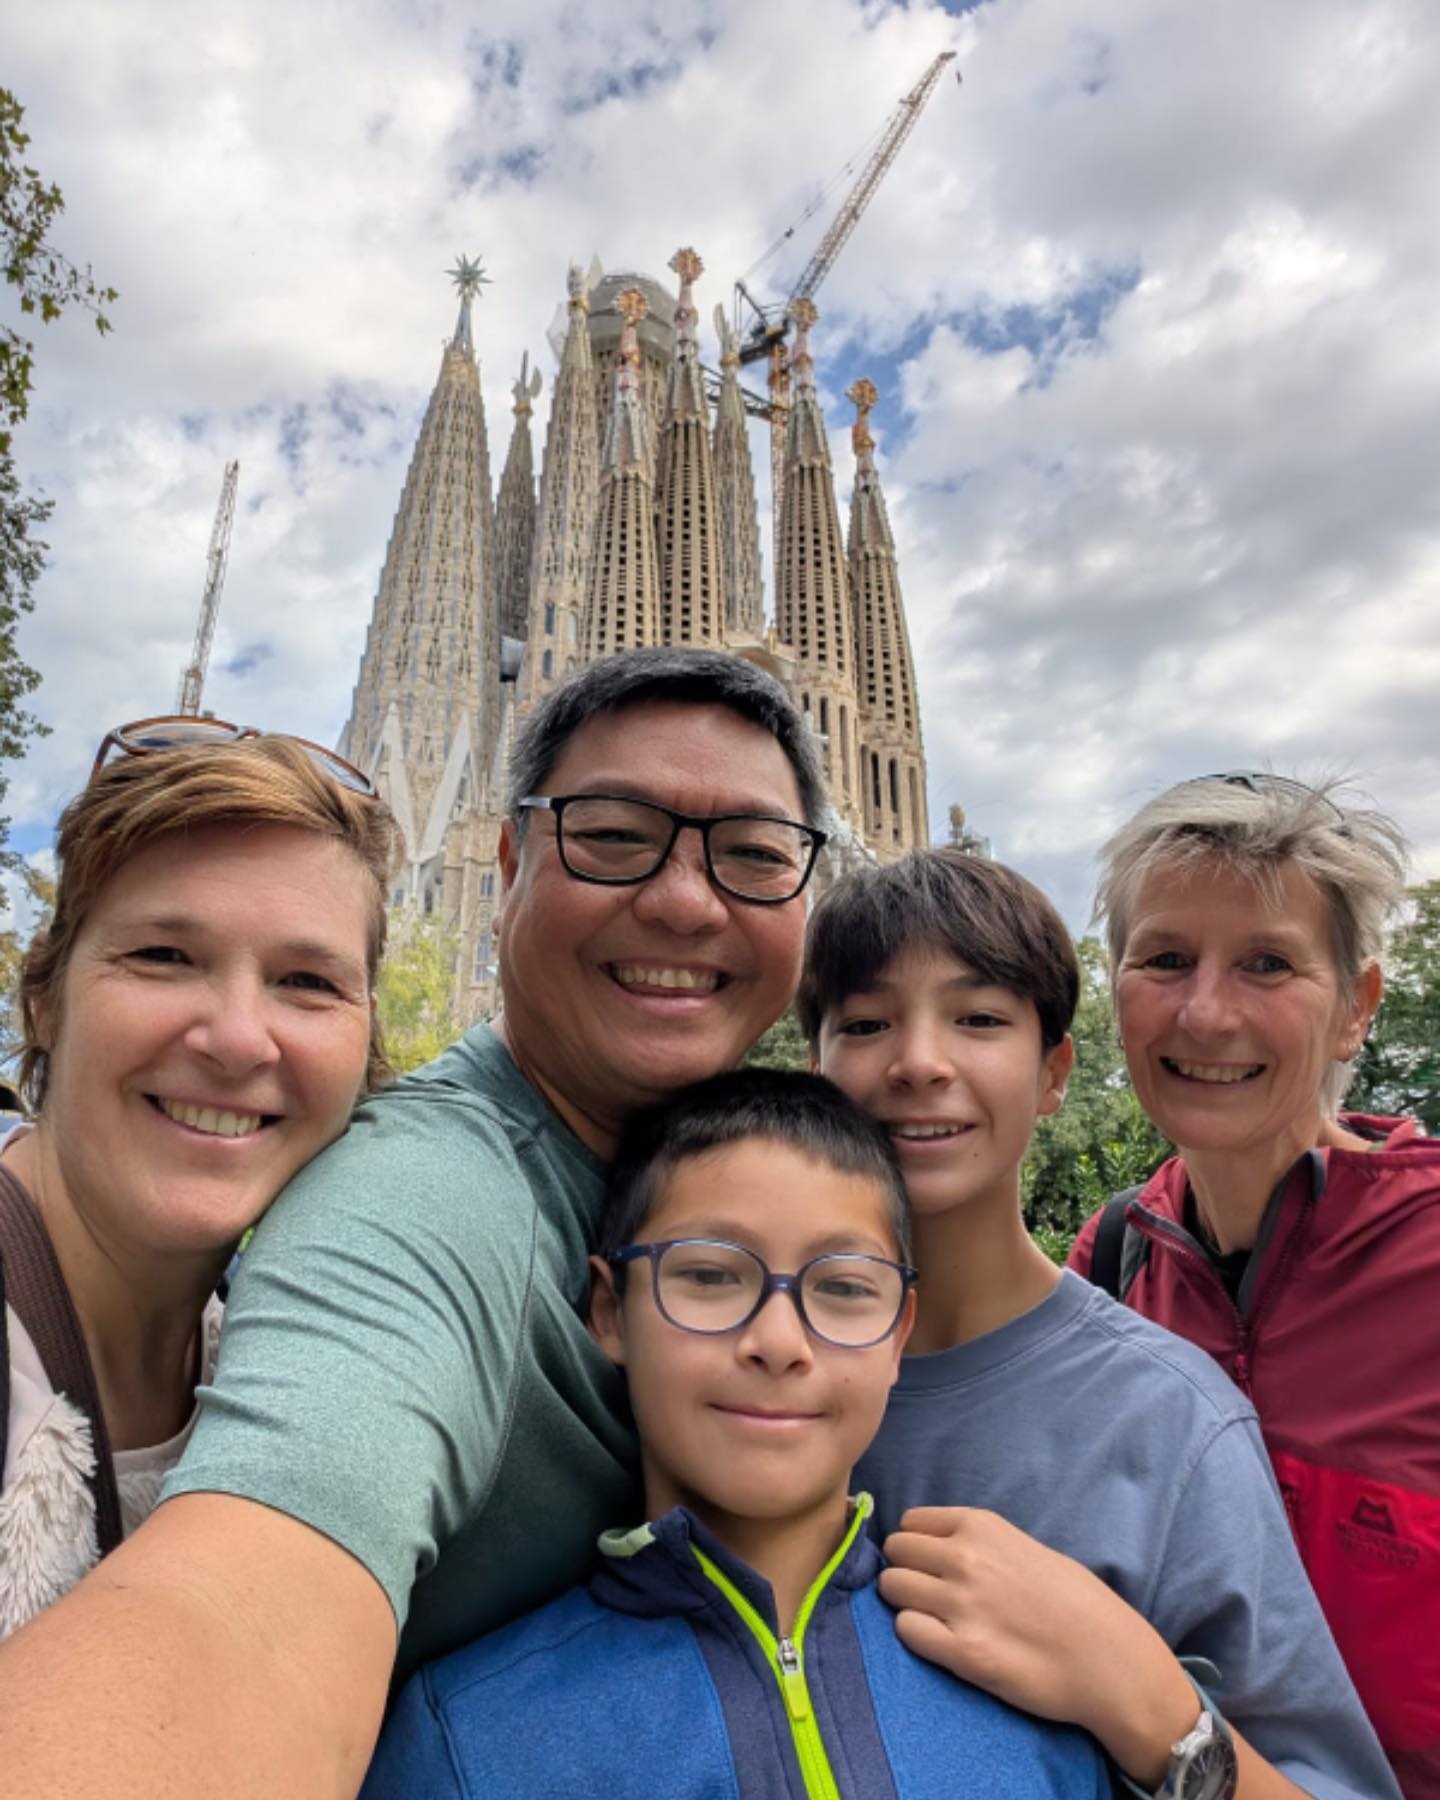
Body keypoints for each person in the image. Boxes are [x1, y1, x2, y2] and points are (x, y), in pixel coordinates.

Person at [0, 648, 827, 1800]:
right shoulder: (418, 1197)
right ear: (507, 865)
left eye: (752, 854)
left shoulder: (770, 1194)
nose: (686, 899)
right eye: (614, 833)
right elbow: (240, 1613)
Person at [801, 846, 1400, 1800]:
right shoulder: (734, 1377)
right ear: (814, 1068)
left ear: (1053, 1074)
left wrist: (1143, 1702)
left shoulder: (1169, 1420)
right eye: (867, 1022)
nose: (919, 1062)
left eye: (980, 1019)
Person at [362, 1068, 1113, 1800]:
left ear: (897, 1335)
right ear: (611, 1310)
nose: (780, 1340)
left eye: (845, 1287)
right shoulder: (468, 1736)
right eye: (712, 1277)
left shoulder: (1027, 1680)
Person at [1066, 772, 1439, 1800]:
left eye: (1268, 963)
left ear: (1357, 1007)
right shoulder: (1106, 1271)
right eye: (1167, 959)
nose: (1207, 1010)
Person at [1, 717, 400, 1638]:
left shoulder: (265, 1358)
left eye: (307, 981)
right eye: (163, 957)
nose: (235, 1039)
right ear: (44, 997)